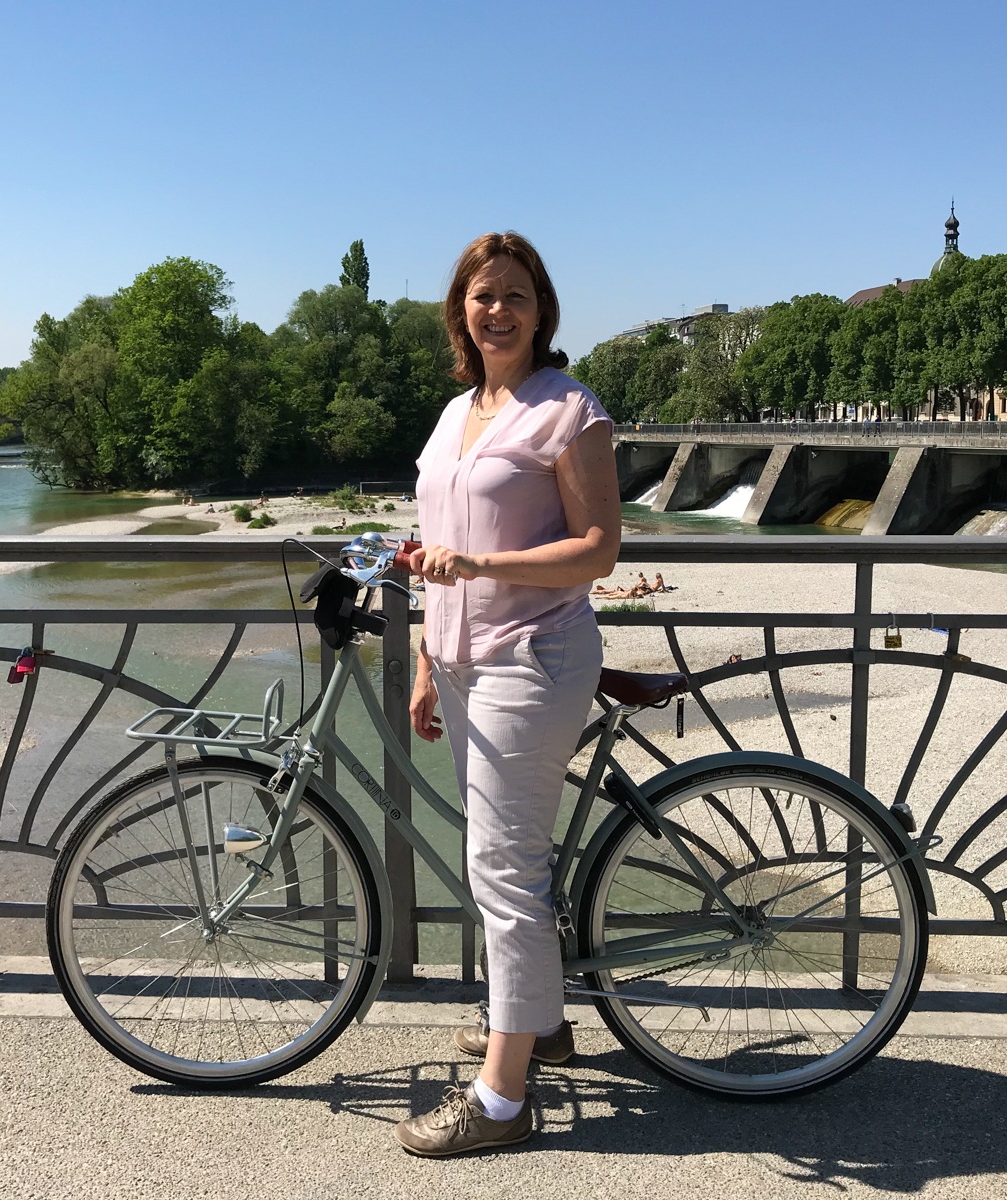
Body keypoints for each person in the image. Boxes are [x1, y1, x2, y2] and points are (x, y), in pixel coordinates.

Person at [398, 232, 619, 1157]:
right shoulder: (456, 414)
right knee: (503, 862)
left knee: (503, 873)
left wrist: (482, 563)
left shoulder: (570, 411)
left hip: (534, 655)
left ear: (542, 311)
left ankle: (500, 1100)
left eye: (517, 296)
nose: (499, 311)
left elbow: (599, 548)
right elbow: (433, 543)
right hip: (462, 660)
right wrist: (424, 658)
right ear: (461, 309)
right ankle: (542, 1026)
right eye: (483, 296)